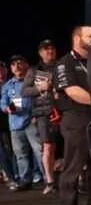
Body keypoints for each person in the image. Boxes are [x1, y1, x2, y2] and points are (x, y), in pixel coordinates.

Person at [55, 26, 91, 205]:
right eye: (90, 36)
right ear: (77, 39)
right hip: (75, 118)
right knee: (74, 165)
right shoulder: (65, 63)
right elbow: (72, 91)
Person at [2, 55, 45, 191]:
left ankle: (47, 178)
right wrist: (7, 108)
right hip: (15, 124)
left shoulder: (33, 81)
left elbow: (42, 98)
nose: (17, 66)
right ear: (11, 68)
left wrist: (37, 115)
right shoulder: (8, 85)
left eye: (20, 63)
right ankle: (25, 179)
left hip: (32, 121)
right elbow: (3, 102)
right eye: (14, 64)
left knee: (39, 151)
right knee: (20, 155)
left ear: (26, 65)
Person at [23, 39, 59, 195]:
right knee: (48, 147)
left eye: (52, 48)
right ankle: (50, 181)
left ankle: (77, 179)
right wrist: (40, 87)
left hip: (64, 110)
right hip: (43, 113)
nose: (49, 51)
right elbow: (24, 91)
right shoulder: (34, 70)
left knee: (70, 145)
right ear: (40, 53)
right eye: (46, 49)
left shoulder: (61, 66)